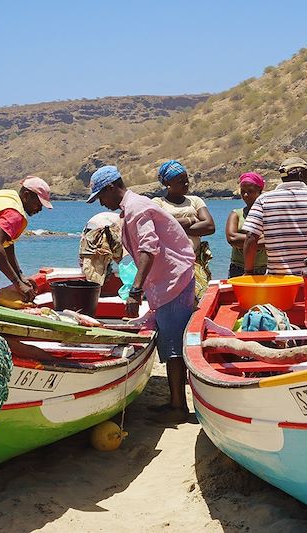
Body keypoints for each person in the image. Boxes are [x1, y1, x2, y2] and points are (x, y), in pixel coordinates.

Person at [87, 165, 195, 424]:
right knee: (170, 342)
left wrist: (135, 291)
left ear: (112, 187)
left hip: (173, 281)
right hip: (168, 281)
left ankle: (178, 408)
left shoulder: (136, 209)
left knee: (173, 348)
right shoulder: (133, 206)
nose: (101, 201)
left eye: (101, 195)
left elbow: (148, 249)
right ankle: (175, 402)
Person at [242, 156, 307, 275]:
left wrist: (248, 271)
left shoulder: (264, 200)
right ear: (302, 175)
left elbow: (251, 237)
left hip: (277, 281)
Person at [153, 160, 215, 300]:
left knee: (197, 300)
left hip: (195, 259)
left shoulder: (195, 201)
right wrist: (191, 220)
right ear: (168, 184)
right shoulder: (158, 203)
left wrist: (174, 226)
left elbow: (210, 226)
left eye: (186, 179)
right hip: (170, 264)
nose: (185, 183)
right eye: (180, 181)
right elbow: (160, 227)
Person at [226, 172, 269, 278]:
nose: (245, 195)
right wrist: (258, 239)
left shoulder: (268, 215)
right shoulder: (236, 214)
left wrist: (248, 242)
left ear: (260, 191)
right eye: (243, 192)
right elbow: (232, 238)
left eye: (250, 191)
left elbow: (272, 240)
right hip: (238, 268)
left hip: (265, 268)